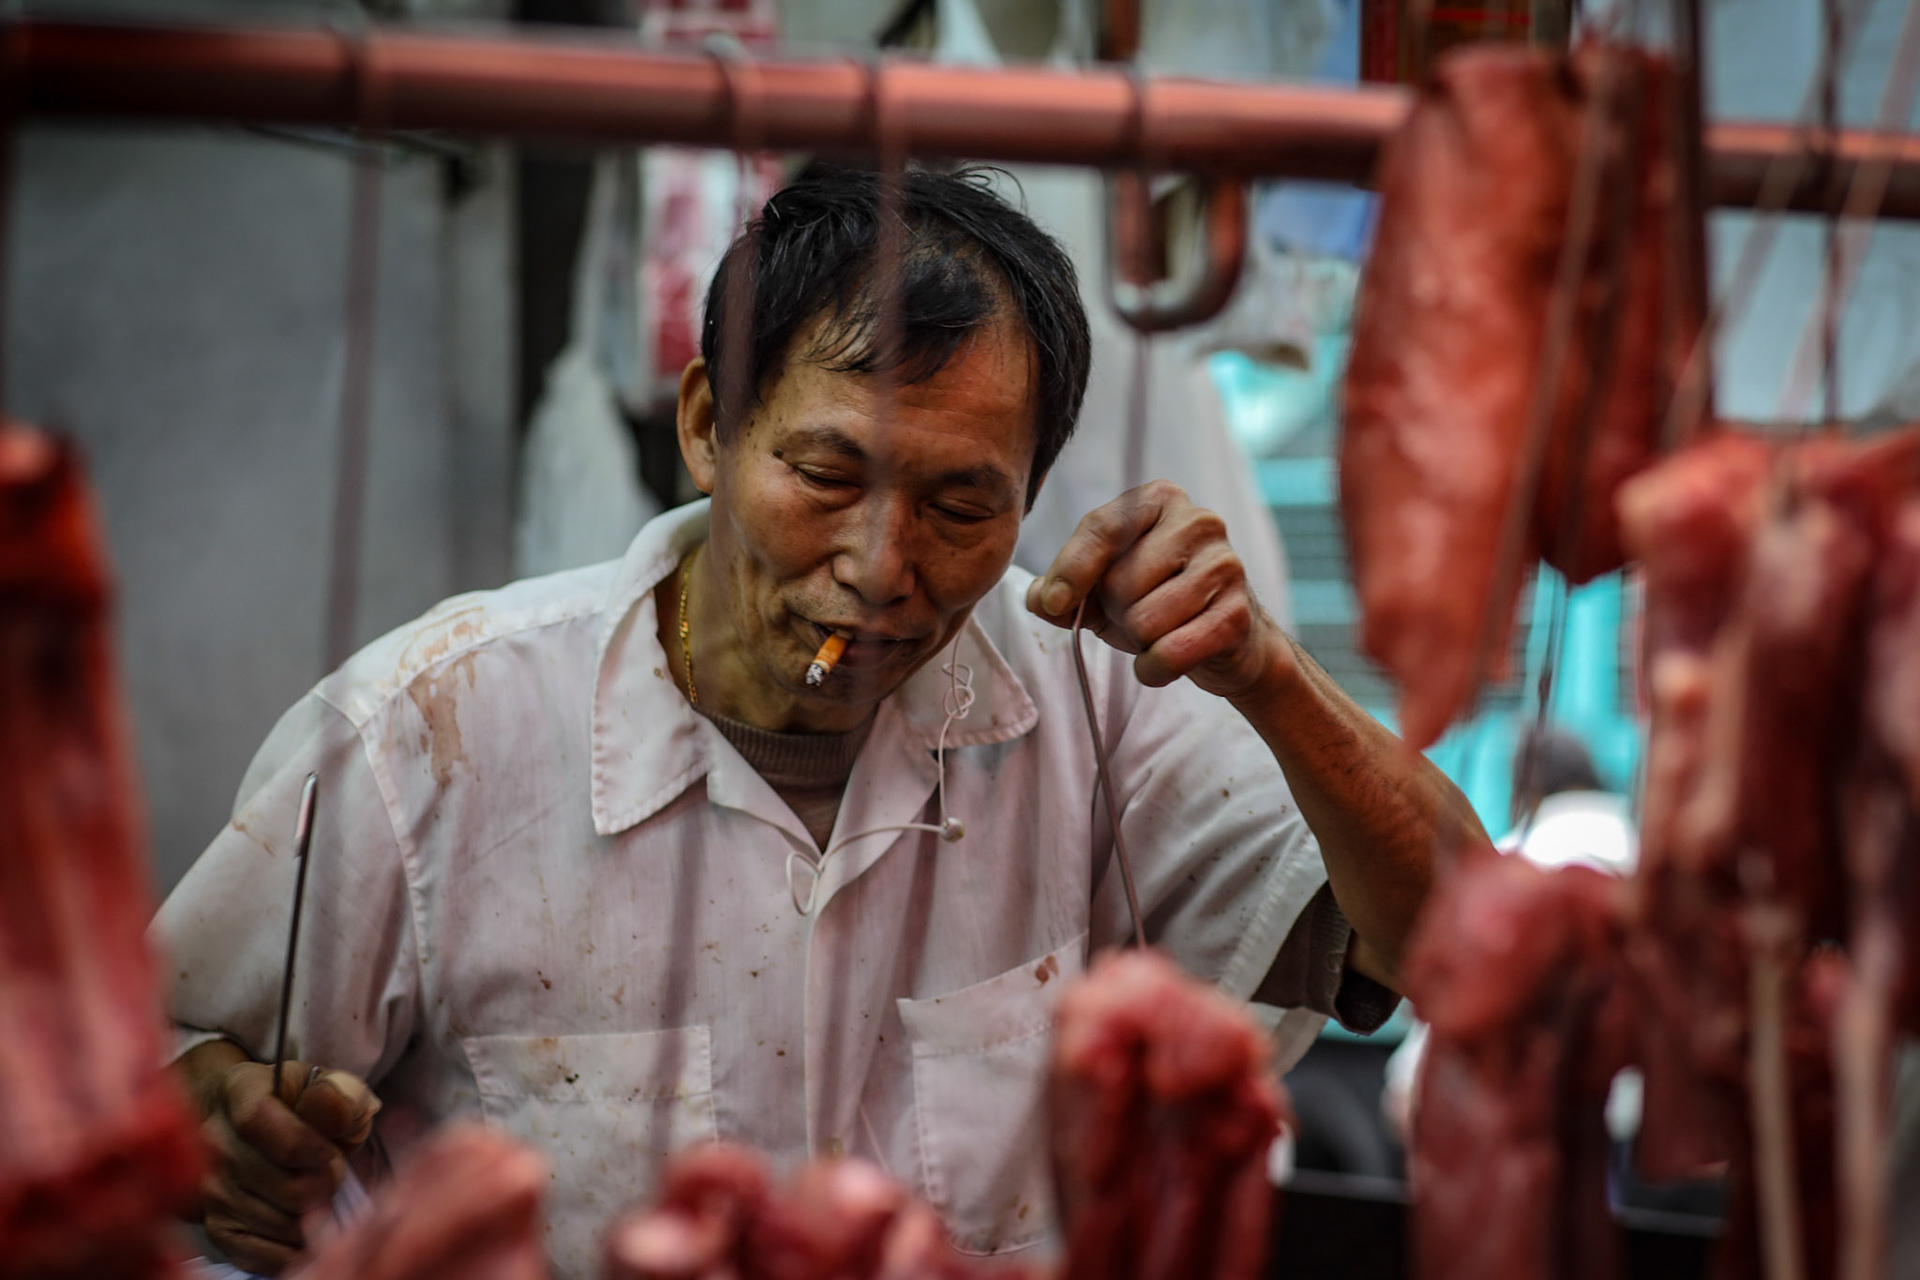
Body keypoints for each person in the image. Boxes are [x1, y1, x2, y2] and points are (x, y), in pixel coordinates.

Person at [158, 166, 1481, 1278]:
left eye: (962, 508)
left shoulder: (1101, 704)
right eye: (825, 474)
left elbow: (1460, 946)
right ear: (706, 425)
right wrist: (217, 1121)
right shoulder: (430, 729)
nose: (879, 564)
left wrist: (1268, 676)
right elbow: (130, 1088)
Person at [1381, 723, 1639, 1146]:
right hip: (1635, 1113)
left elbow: (1466, 993)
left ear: (1524, 789)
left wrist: (1409, 1079)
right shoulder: (1645, 850)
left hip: (1542, 1116)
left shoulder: (1521, 858)